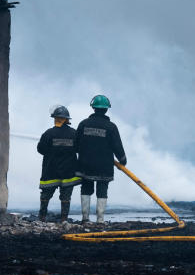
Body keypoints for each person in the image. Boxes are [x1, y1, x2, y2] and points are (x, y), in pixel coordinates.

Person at [74, 95, 127, 223]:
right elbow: (117, 146)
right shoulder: (111, 127)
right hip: (104, 166)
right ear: (106, 109)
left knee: (86, 188)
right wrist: (122, 160)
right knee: (102, 190)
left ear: (93, 108)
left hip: (85, 164)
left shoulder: (83, 124)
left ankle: (85, 218)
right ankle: (100, 219)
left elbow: (75, 145)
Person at [36, 105, 81, 222]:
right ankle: (64, 219)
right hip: (69, 171)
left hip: (50, 170)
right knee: (66, 196)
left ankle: (42, 217)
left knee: (45, 195)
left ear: (55, 118)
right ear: (67, 119)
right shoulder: (74, 133)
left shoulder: (48, 133)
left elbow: (40, 149)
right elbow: (78, 149)